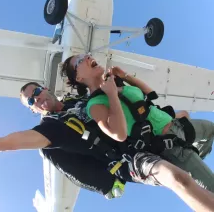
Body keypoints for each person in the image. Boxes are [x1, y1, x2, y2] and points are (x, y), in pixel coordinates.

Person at [0, 104, 214, 211]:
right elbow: (7, 143)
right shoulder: (50, 129)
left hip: (146, 142)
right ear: (34, 110)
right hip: (129, 161)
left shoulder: (80, 100)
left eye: (37, 91)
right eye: (31, 101)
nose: (38, 98)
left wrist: (172, 116)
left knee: (194, 171)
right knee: (178, 180)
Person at [61, 53, 214, 192]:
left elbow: (151, 95)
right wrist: (112, 95)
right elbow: (119, 134)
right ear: (79, 78)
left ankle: (198, 157)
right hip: (171, 145)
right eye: (80, 61)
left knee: (211, 130)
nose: (88, 57)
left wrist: (125, 76)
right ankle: (193, 165)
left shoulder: (115, 83)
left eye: (87, 55)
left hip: (177, 125)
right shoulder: (94, 104)